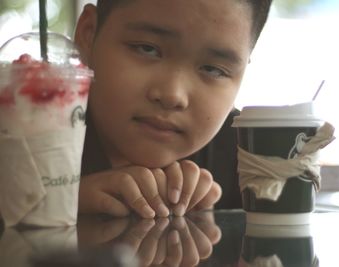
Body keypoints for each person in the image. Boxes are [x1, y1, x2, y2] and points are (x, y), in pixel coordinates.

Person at [74, 0, 273, 218]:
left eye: (213, 70)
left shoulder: (254, 163)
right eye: (147, 49)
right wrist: (57, 207)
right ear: (89, 34)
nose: (173, 95)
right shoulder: (35, 137)